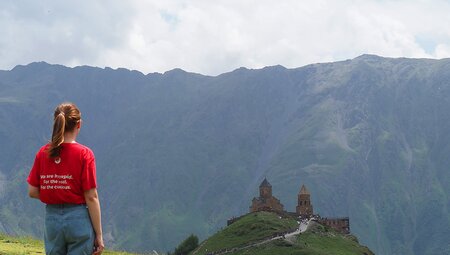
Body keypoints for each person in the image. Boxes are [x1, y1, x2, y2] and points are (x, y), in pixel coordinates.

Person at [27, 102, 104, 255]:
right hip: (78, 218)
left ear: (56, 122)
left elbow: (32, 191)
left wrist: (55, 192)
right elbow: (91, 197)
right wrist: (99, 235)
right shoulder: (85, 154)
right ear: (79, 124)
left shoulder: (43, 153)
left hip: (52, 220)